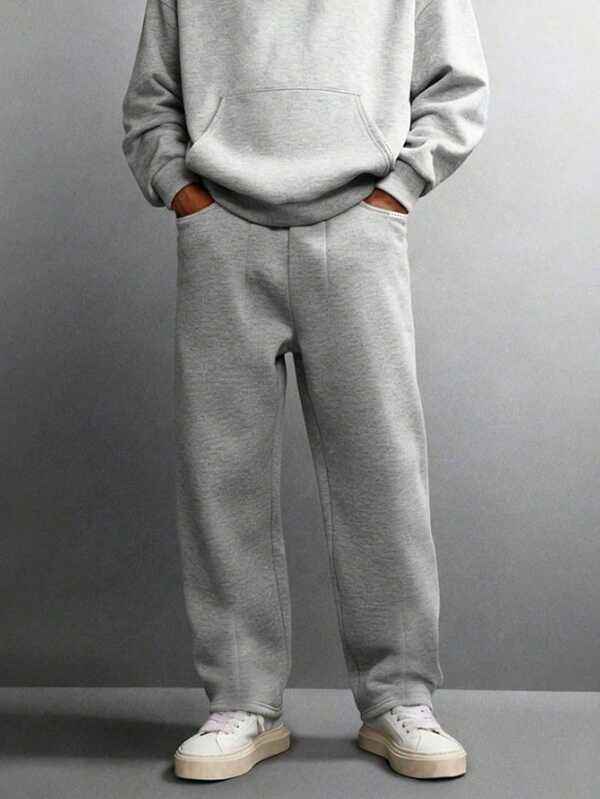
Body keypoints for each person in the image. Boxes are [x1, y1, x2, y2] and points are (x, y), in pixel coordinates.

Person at [121, 0, 489, 782]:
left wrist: (399, 188)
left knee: (382, 470)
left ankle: (399, 697)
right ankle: (242, 700)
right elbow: (151, 99)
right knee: (220, 472)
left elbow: (457, 86)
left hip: (359, 227)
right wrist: (182, 192)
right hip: (221, 229)